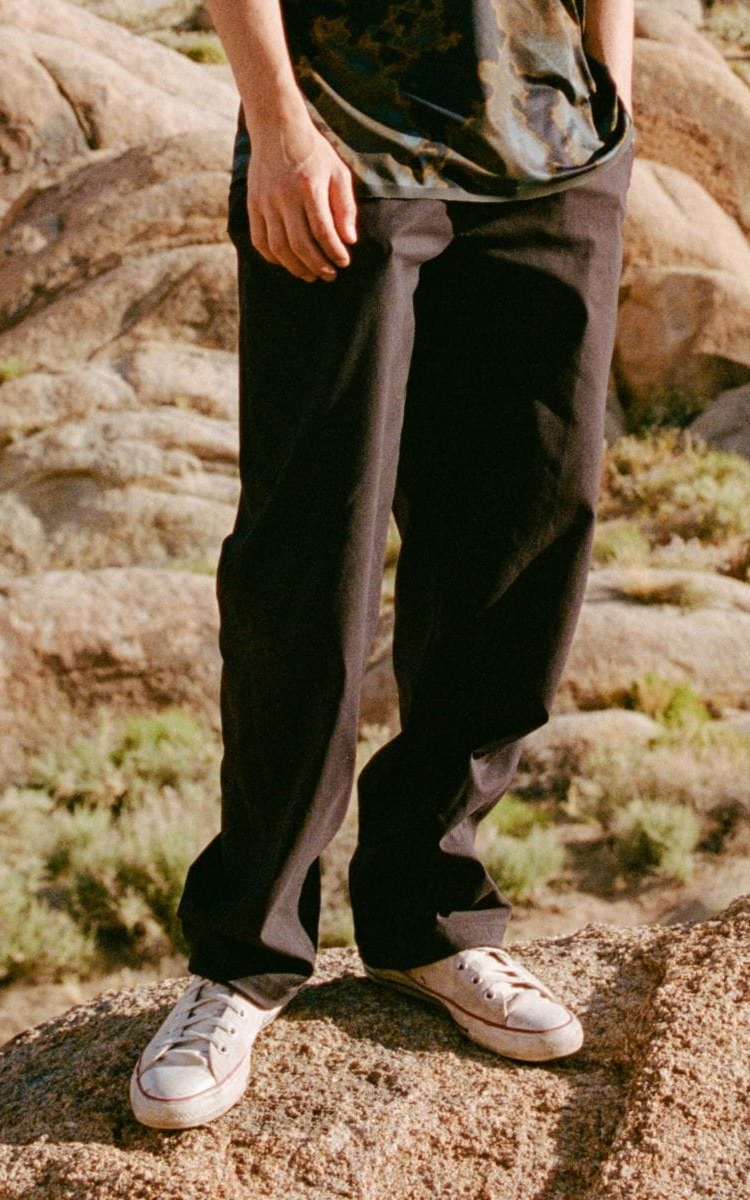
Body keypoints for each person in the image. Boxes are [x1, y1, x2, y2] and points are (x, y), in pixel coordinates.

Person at [130, 0, 635, 1130]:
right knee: (312, 554)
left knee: (521, 536)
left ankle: (428, 916)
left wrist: (611, 95)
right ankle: (246, 954)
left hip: (555, 149)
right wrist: (277, 125)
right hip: (344, 147)